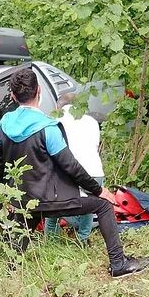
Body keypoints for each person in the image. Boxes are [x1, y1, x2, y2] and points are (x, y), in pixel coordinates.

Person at [0, 69, 149, 278]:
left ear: (12, 96)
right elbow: (69, 165)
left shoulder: (3, 126)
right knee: (103, 205)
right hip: (53, 198)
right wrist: (98, 190)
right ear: (39, 91)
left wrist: (8, 195)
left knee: (27, 218)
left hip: (25, 200)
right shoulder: (47, 127)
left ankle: (10, 271)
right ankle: (118, 263)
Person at [44, 92, 104, 243]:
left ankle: (51, 241)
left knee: (53, 209)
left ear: (59, 107)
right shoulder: (92, 122)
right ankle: (83, 239)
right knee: (89, 207)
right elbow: (95, 148)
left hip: (67, 173)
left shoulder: (53, 123)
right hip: (94, 172)